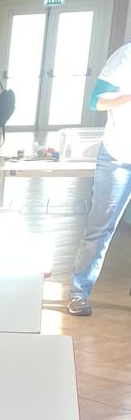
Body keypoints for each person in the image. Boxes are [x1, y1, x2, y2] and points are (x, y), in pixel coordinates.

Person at [68, 43, 131, 316]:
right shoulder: (125, 56)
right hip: (119, 156)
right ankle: (78, 292)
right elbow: (96, 100)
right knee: (100, 228)